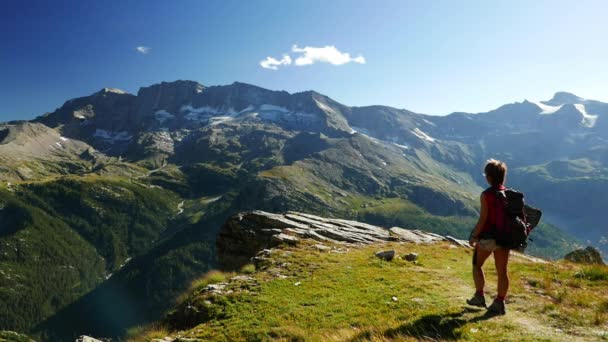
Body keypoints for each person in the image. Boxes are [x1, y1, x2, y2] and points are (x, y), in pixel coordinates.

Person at [466, 159, 510, 315]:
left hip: (489, 238)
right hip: (505, 238)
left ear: (489, 177)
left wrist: (473, 235)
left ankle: (479, 296)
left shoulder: (486, 195)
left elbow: (483, 219)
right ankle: (500, 302)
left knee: (477, 265)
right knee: (502, 271)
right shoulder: (509, 194)